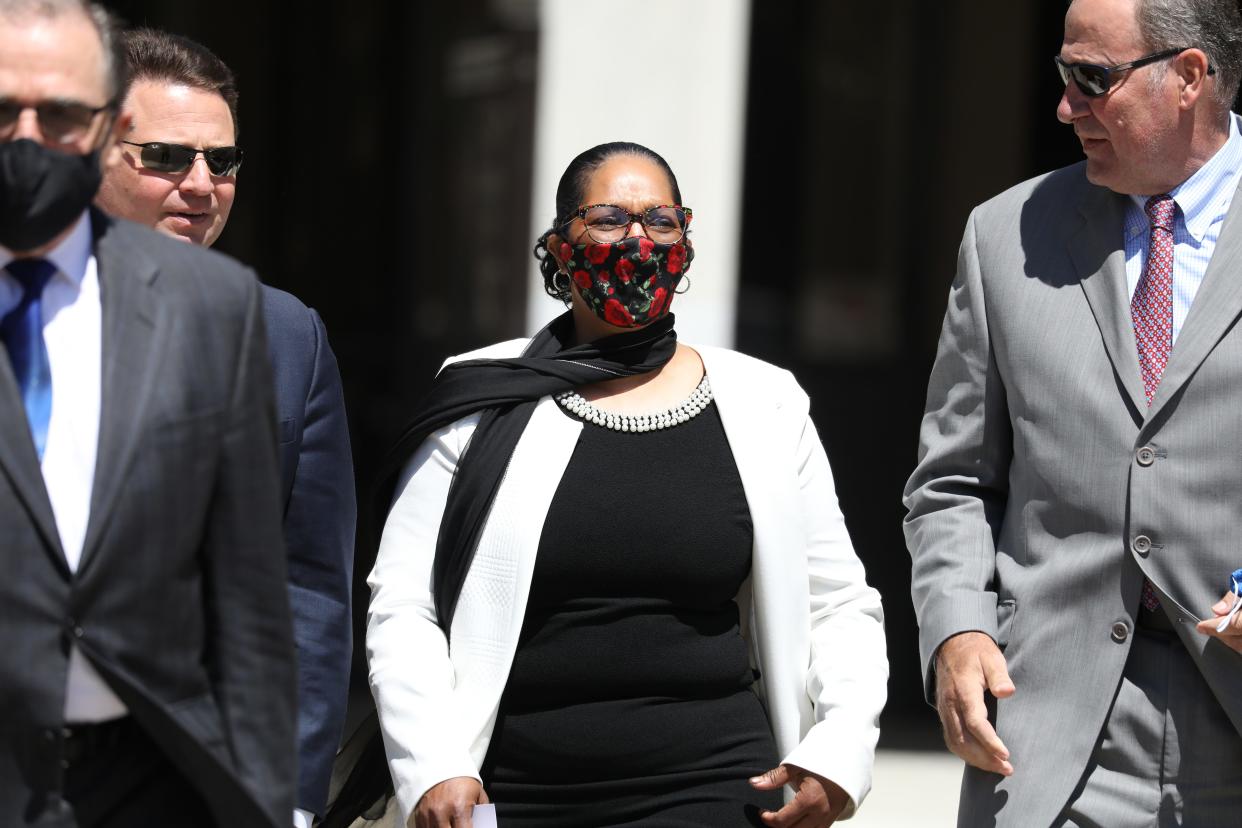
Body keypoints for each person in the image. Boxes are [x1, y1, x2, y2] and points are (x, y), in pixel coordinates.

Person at [366, 141, 888, 828]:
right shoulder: (482, 395)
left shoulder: (766, 402)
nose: (638, 241)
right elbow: (403, 602)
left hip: (714, 784)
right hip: (514, 789)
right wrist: (432, 762)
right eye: (608, 219)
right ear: (558, 247)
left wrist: (842, 746)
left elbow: (838, 602)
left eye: (662, 221)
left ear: (686, 245)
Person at [904, 0, 1242, 824]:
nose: (1065, 106)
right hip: (1050, 738)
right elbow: (950, 482)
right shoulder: (1003, 235)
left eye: (1093, 78)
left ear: (1189, 76)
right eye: (1065, 75)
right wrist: (958, 630)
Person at [0, 1, 295, 826]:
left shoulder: (208, 304)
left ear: (105, 123)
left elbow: (253, 609)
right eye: (1, 111)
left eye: (58, 113)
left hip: (152, 776)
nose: (27, 138)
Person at [93, 27, 357, 828]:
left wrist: (295, 799)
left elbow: (308, 592)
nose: (202, 184)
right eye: (169, 157)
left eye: (223, 162)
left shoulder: (286, 336)